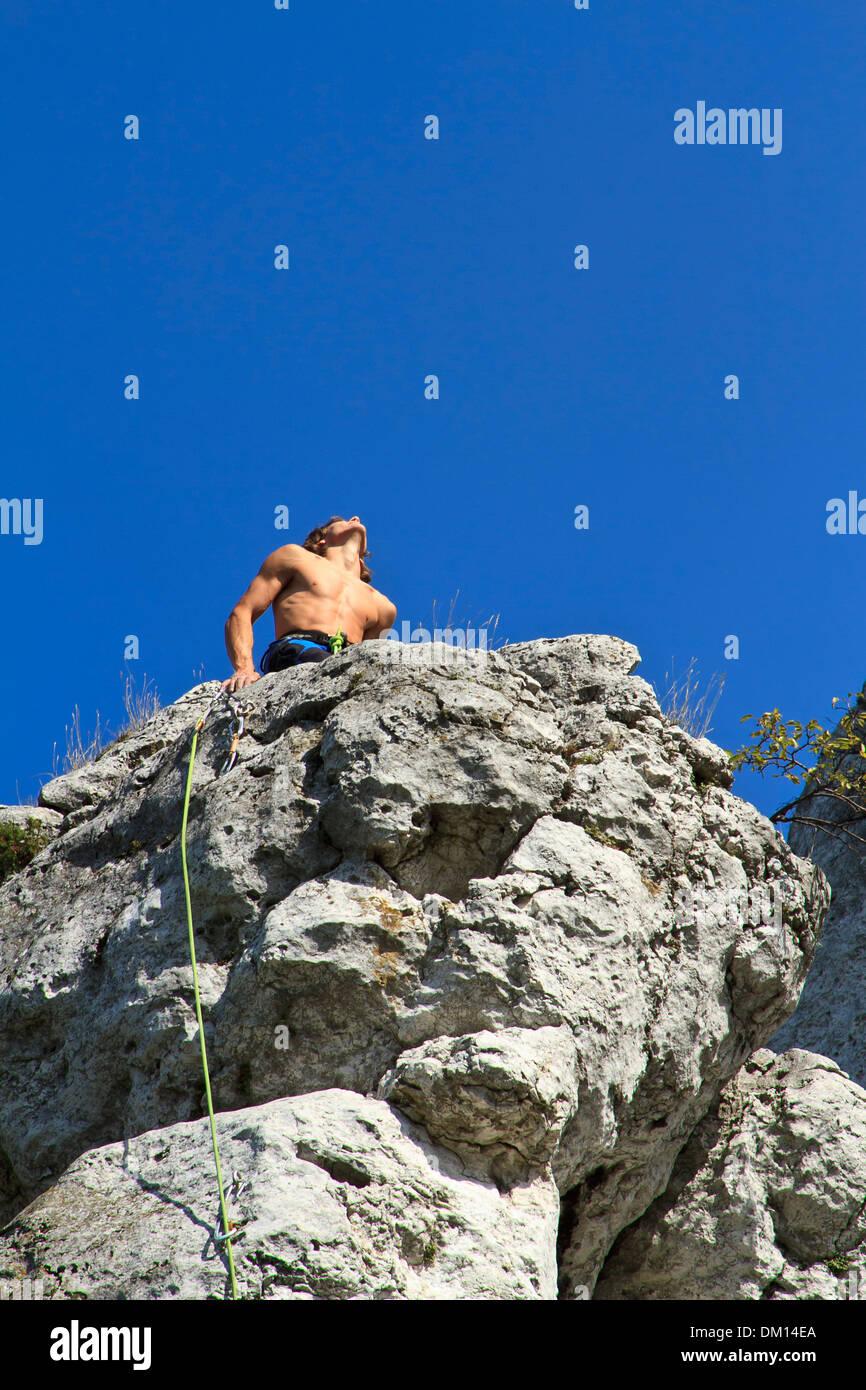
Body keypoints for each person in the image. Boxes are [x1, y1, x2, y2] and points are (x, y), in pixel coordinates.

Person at [222, 515, 397, 693]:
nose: (355, 518)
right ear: (320, 541)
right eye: (342, 521)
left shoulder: (383, 607)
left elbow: (366, 659)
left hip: (342, 660)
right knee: (335, 672)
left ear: (361, 560)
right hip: (296, 648)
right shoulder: (296, 557)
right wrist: (244, 668)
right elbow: (243, 612)